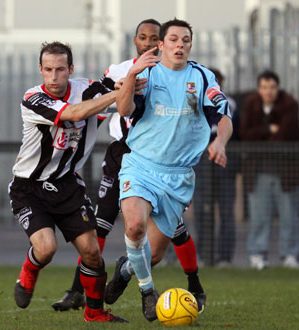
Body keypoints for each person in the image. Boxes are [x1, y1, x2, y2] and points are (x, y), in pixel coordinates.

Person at [52, 19, 206, 314]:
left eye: (153, 38)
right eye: (143, 38)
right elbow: (95, 106)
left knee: (171, 234)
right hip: (123, 154)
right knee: (102, 224)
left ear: (161, 42)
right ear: (135, 40)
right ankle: (77, 291)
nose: (148, 43)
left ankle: (192, 283)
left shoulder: (174, 71)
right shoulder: (118, 71)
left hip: (162, 159)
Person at [108, 19, 232, 322]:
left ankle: (125, 270)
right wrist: (132, 75)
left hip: (178, 176)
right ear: (160, 45)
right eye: (173, 39)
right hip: (141, 165)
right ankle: (148, 292)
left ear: (190, 45)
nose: (180, 45)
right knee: (134, 227)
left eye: (185, 40)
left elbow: (224, 114)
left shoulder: (202, 77)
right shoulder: (146, 73)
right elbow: (124, 110)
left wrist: (222, 142)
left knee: (153, 255)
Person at [9, 41, 127, 323]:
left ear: (70, 69)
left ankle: (94, 313)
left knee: (92, 253)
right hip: (30, 188)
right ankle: (29, 270)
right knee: (46, 249)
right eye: (48, 69)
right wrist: (113, 94)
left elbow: (124, 105)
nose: (53, 76)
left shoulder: (86, 89)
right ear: (40, 70)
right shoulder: (33, 98)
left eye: (60, 69)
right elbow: (73, 114)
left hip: (67, 186)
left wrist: (130, 85)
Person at [240, 70, 299, 269]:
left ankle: (289, 255)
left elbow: (285, 134)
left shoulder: (290, 104)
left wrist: (263, 135)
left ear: (278, 88)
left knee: (289, 217)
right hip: (258, 172)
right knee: (259, 217)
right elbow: (244, 134)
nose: (269, 92)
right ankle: (257, 255)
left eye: (272, 87)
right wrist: (267, 130)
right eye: (264, 87)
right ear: (259, 89)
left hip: (286, 172)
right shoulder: (251, 104)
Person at [193, 68, 238, 267]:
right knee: (201, 210)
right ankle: (204, 255)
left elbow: (235, 131)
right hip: (200, 164)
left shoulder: (230, 104)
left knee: (226, 211)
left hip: (224, 164)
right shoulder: (194, 103)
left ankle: (225, 257)